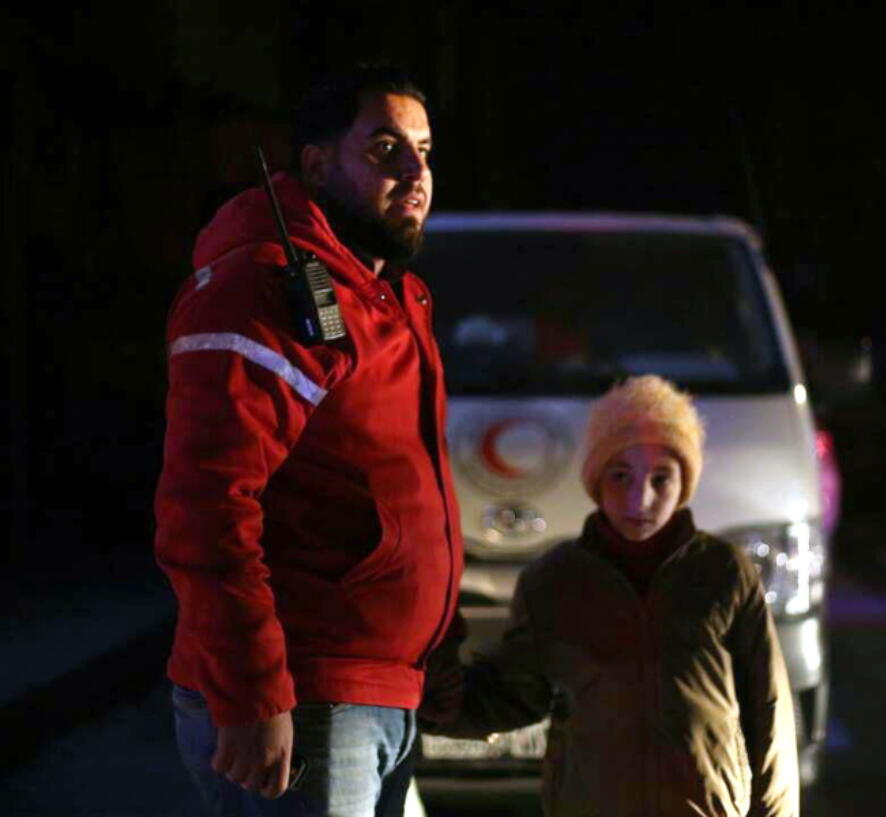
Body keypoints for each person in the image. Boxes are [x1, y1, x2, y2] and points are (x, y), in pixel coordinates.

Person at [154, 63, 462, 816]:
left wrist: (436, 656)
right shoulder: (267, 287)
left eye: (423, 149)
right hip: (308, 697)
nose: (416, 172)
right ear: (318, 163)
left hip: (372, 692)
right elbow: (207, 504)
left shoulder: (387, 296)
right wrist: (253, 691)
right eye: (386, 148)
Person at [428, 375, 799, 816]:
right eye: (621, 475)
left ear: (685, 482)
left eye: (661, 478)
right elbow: (512, 696)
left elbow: (768, 711)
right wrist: (434, 681)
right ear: (597, 479)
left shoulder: (723, 573)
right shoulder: (553, 582)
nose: (640, 498)